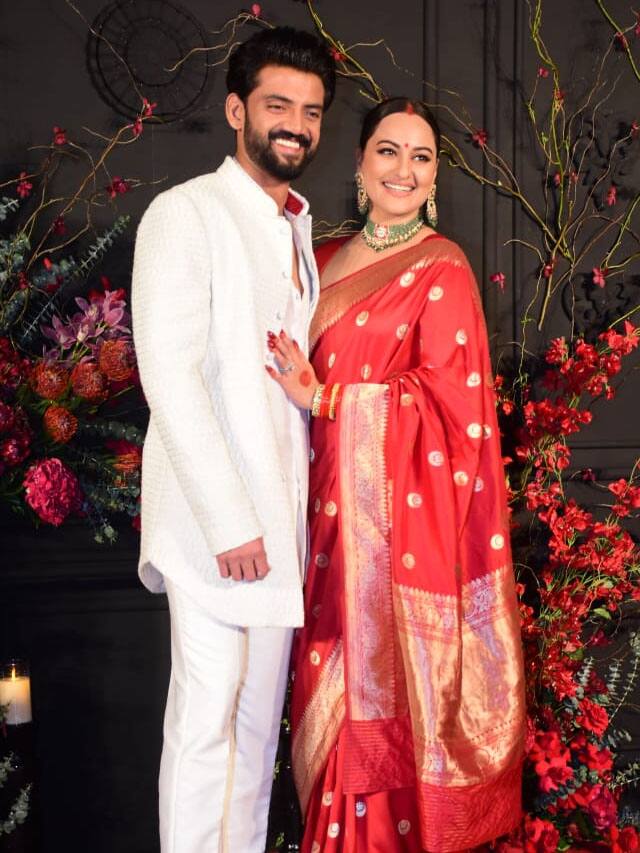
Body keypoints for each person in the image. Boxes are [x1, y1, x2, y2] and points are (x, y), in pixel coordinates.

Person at [266, 97, 526, 852]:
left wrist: (328, 397)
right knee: (323, 700)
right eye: (388, 151)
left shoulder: (442, 267)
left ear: (436, 176)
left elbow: (453, 404)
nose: (403, 170)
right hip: (317, 523)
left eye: (420, 157)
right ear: (359, 164)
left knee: (384, 711)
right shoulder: (319, 261)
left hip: (394, 539)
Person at [131, 27, 336, 853]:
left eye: (312, 111)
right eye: (278, 104)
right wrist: (229, 523)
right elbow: (170, 375)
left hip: (276, 527)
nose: (296, 124)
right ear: (236, 109)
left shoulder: (295, 226)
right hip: (219, 529)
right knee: (205, 728)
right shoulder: (185, 213)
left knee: (254, 740)